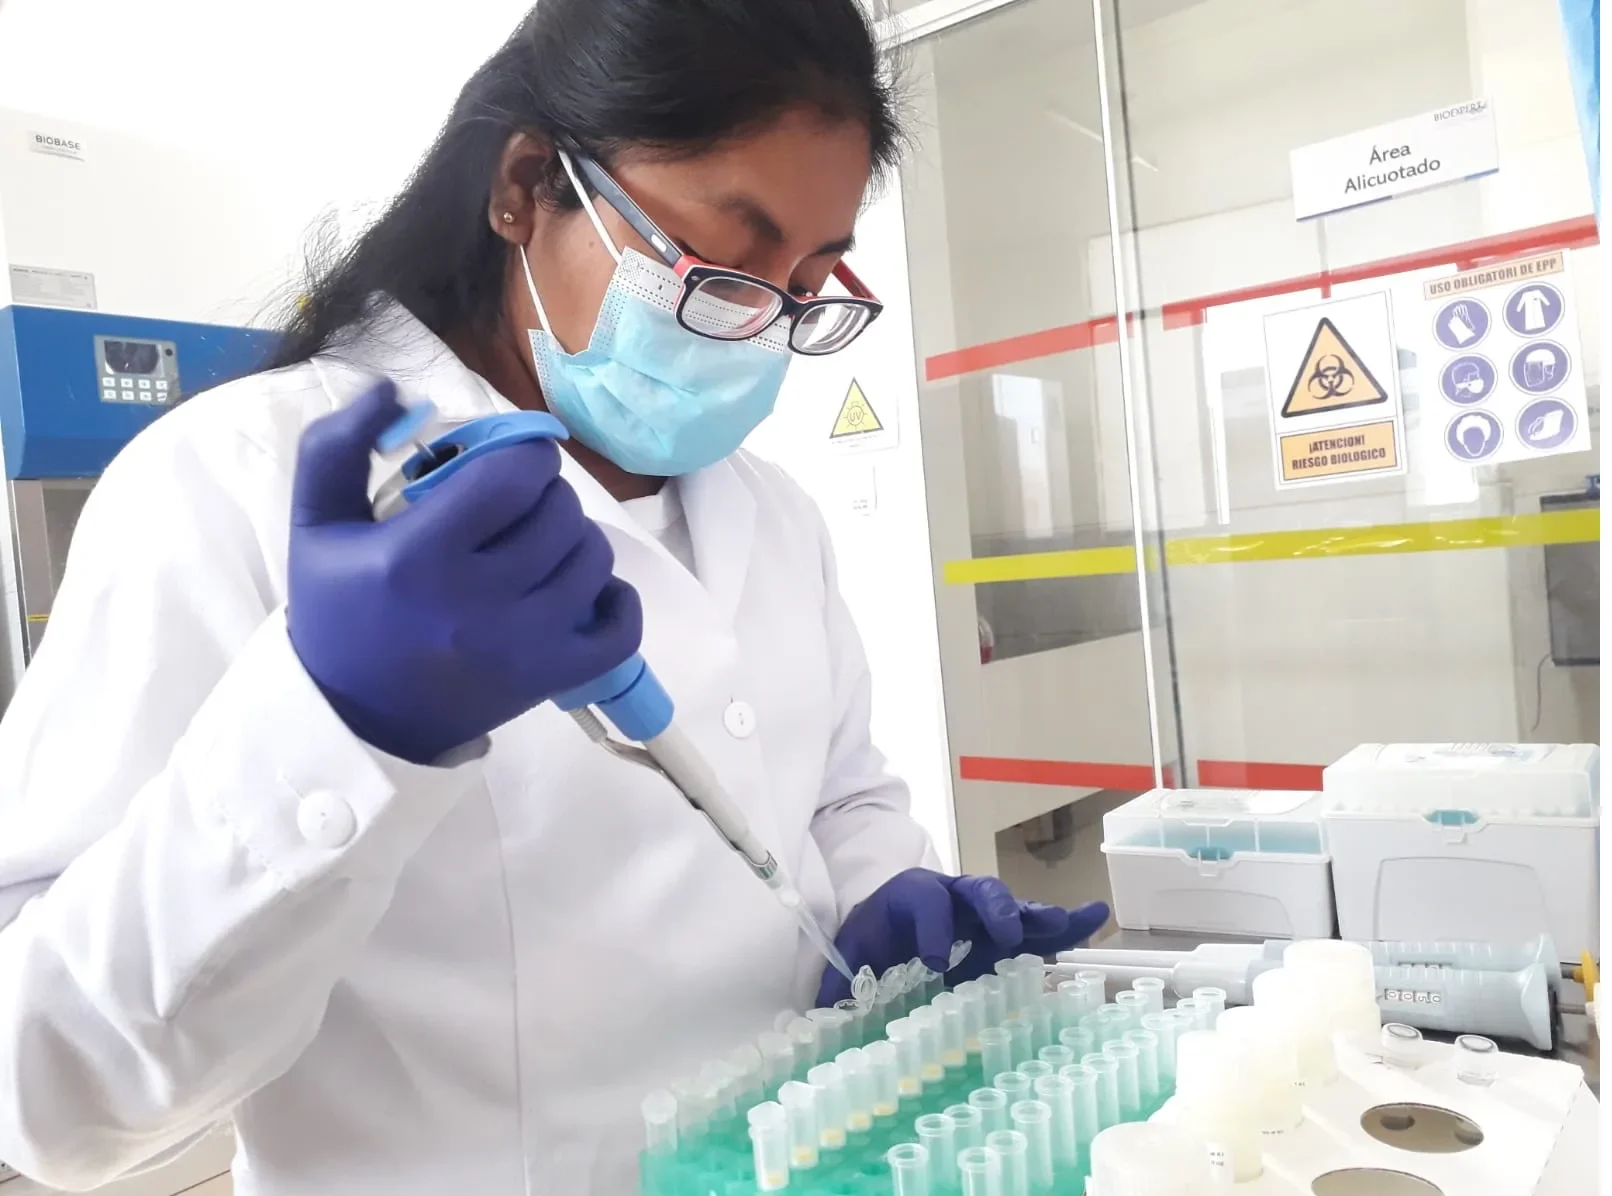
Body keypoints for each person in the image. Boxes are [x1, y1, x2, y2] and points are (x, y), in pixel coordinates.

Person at [0, 3, 1107, 1193]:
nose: (762, 332)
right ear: (526, 185)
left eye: (803, 283)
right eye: (727, 265)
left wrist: (884, 888)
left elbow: (837, 790)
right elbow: (45, 1096)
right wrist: (338, 724)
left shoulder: (771, 510)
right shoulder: (234, 480)